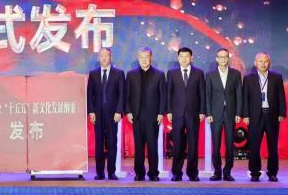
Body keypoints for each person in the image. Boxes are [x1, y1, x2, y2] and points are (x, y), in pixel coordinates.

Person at [243, 52, 286, 182]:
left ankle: (272, 173)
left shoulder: (276, 77)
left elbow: (281, 96)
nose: (263, 64)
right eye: (260, 61)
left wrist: (282, 113)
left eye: (265, 61)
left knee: (273, 146)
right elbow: (245, 98)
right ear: (255, 63)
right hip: (255, 116)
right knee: (254, 146)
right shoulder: (248, 78)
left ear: (269, 63)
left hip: (272, 115)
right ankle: (254, 172)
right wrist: (245, 115)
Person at [125, 47, 166, 182]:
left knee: (152, 146)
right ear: (138, 58)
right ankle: (139, 173)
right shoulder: (131, 75)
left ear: (151, 57)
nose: (144, 60)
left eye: (146, 57)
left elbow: (163, 96)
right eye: (141, 57)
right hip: (136, 116)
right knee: (139, 146)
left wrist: (161, 112)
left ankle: (153, 173)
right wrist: (128, 111)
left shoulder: (159, 75)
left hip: (153, 116)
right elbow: (127, 95)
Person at [167, 47, 206, 182]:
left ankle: (192, 173)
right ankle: (176, 173)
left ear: (191, 58)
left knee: (193, 144)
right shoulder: (171, 73)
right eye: (181, 56)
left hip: (193, 113)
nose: (184, 59)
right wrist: (169, 111)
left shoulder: (199, 73)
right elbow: (169, 93)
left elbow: (202, 93)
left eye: (187, 56)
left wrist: (202, 111)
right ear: (178, 58)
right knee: (177, 144)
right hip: (177, 113)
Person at [86, 48, 125, 180]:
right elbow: (90, 95)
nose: (104, 58)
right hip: (97, 114)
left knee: (112, 143)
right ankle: (100, 172)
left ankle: (111, 172)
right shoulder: (93, 74)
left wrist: (119, 111)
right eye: (101, 56)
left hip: (113, 114)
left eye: (106, 56)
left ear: (110, 57)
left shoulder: (119, 73)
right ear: (99, 58)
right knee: (99, 143)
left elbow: (122, 94)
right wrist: (91, 111)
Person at [205, 48, 243, 182]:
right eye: (220, 57)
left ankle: (227, 172)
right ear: (216, 59)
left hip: (231, 114)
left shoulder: (236, 74)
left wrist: (239, 112)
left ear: (228, 58)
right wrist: (208, 113)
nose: (223, 59)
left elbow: (239, 94)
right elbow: (207, 95)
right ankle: (217, 172)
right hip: (215, 114)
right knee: (215, 145)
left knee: (229, 145)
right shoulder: (210, 75)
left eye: (225, 57)